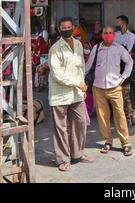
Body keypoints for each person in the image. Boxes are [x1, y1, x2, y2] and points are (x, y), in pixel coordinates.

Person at [48, 16, 93, 172]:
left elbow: (80, 68)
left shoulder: (79, 44)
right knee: (60, 128)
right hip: (59, 95)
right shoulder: (55, 48)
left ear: (73, 28)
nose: (66, 29)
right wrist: (77, 83)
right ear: (59, 30)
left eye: (69, 27)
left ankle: (77, 153)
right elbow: (57, 74)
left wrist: (82, 87)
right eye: (63, 27)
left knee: (80, 123)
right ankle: (62, 159)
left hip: (76, 93)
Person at [85, 26, 133, 156]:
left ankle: (125, 143)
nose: (108, 35)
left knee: (119, 115)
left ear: (114, 35)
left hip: (115, 87)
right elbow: (88, 65)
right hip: (98, 88)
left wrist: (123, 77)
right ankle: (107, 141)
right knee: (102, 116)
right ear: (102, 35)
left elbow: (129, 62)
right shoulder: (96, 48)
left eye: (111, 33)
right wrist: (80, 78)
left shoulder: (119, 48)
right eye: (106, 33)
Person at [115, 16, 135, 125]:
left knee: (126, 92)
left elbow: (128, 49)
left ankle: (129, 117)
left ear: (124, 22)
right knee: (115, 92)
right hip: (115, 67)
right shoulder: (116, 34)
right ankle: (117, 116)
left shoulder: (131, 36)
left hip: (125, 66)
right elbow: (114, 47)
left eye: (118, 21)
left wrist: (120, 49)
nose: (117, 23)